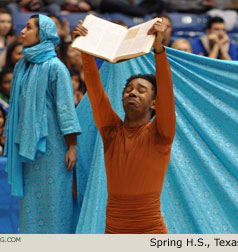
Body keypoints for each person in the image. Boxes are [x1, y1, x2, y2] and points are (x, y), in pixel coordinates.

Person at [72, 19, 176, 233]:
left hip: (151, 231)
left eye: (140, 89)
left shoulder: (161, 134)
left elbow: (166, 90)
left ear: (155, 103)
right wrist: (85, 49)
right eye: (128, 88)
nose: (132, 92)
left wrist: (159, 50)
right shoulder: (111, 132)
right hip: (114, 230)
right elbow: (95, 90)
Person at [4, 14, 81, 233]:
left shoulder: (56, 68)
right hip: (29, 151)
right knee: (31, 210)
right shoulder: (23, 66)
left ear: (43, 33)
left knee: (55, 208)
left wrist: (73, 146)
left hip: (54, 151)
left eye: (29, 28)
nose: (22, 31)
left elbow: (66, 109)